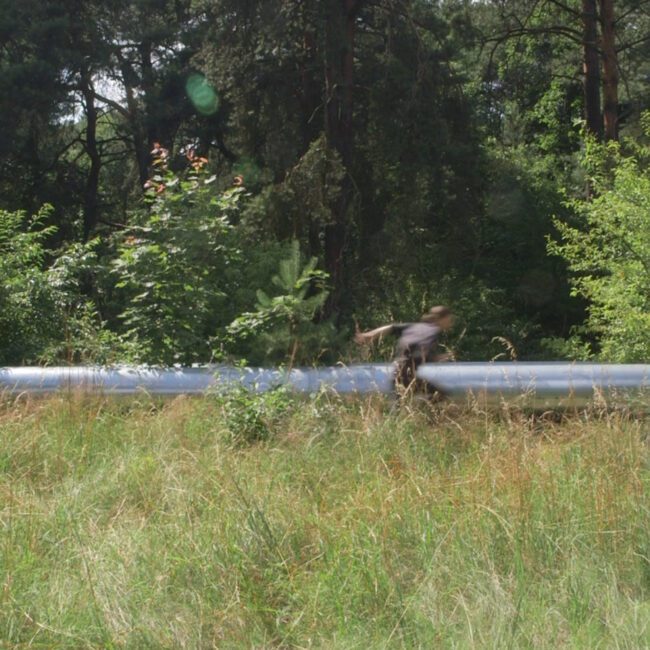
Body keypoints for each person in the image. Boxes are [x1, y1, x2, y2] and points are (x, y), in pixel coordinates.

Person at [355, 305, 454, 397]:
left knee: (398, 407)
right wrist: (438, 358)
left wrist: (370, 335)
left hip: (395, 373)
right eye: (449, 320)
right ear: (442, 319)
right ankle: (423, 406)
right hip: (408, 377)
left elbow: (391, 328)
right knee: (442, 395)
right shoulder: (433, 331)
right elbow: (421, 353)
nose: (450, 323)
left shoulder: (415, 326)